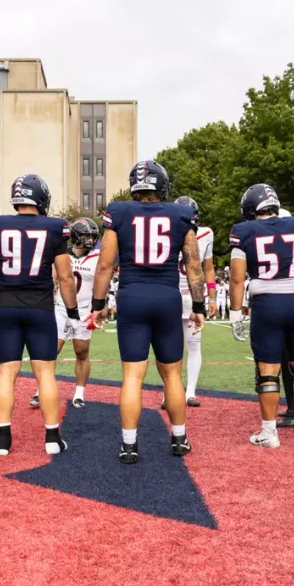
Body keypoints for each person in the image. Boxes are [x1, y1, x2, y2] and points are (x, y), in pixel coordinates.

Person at [90, 160, 204, 464]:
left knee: (132, 376)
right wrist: (199, 305)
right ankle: (179, 438)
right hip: (167, 296)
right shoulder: (180, 213)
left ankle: (129, 445)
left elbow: (104, 263)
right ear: (163, 185)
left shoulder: (119, 211)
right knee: (172, 375)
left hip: (132, 295)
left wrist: (98, 305)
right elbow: (193, 264)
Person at [0, 174, 78, 457]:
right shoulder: (54, 227)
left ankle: (3, 439)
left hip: (7, 307)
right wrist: (72, 312)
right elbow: (66, 278)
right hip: (40, 308)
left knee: (7, 372)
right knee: (45, 374)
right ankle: (52, 438)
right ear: (41, 198)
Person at [228, 183, 294, 448]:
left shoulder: (243, 231)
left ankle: (269, 433)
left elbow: (237, 279)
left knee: (268, 371)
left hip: (266, 304)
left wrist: (235, 314)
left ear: (250, 208)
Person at [30, 216, 100, 409]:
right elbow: (53, 279)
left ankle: (79, 392)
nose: (90, 240)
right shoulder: (62, 255)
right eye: (86, 235)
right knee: (52, 349)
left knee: (81, 351)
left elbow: (100, 285)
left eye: (92, 236)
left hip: (85, 309)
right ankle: (42, 389)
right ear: (76, 235)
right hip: (61, 308)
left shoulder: (97, 257)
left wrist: (99, 308)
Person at [160, 195, 215, 409]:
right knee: (169, 347)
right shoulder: (166, 232)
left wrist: (210, 295)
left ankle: (190, 391)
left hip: (194, 295)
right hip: (172, 293)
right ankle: (169, 393)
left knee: (193, 344)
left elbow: (208, 268)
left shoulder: (206, 234)